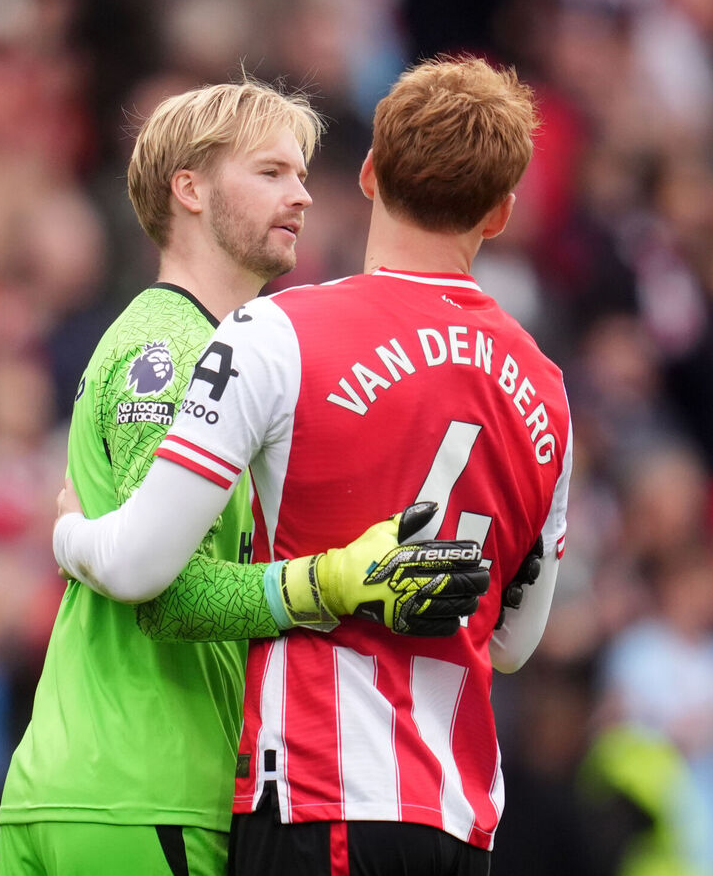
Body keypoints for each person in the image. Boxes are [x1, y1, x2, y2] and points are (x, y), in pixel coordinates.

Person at [54, 56, 573, 875]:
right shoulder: (546, 390)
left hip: (314, 787)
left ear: (368, 174)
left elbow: (148, 563)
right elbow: (515, 640)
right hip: (457, 813)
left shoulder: (278, 333)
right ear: (501, 213)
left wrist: (69, 531)